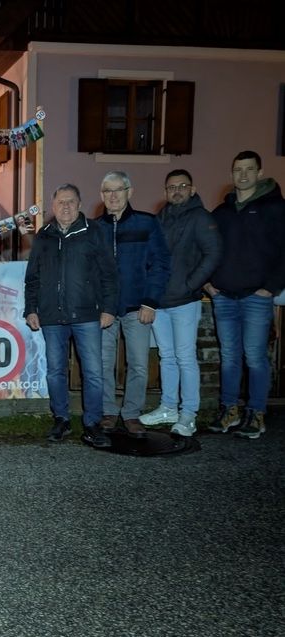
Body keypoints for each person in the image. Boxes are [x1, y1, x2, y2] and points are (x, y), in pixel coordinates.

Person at [24, 184, 118, 449]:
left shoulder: (95, 232)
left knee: (93, 372)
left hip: (87, 315)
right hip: (52, 316)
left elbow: (110, 274)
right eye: (60, 202)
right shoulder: (44, 235)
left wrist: (109, 308)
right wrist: (31, 308)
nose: (65, 207)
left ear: (79, 205)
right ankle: (61, 419)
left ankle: (92, 424)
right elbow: (33, 277)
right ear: (53, 207)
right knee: (55, 371)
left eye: (71, 202)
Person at [205, 150, 285, 439]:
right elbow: (205, 249)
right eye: (238, 169)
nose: (243, 174)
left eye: (249, 169)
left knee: (255, 357)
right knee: (229, 358)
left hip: (256, 296)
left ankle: (256, 412)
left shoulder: (275, 208)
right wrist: (208, 283)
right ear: (232, 173)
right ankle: (229, 410)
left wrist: (270, 287)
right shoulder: (222, 212)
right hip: (224, 296)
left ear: (260, 172)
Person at [140, 170, 222, 437]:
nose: (176, 191)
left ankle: (188, 414)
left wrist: (191, 284)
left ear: (192, 189)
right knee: (167, 357)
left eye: (182, 186)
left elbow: (213, 253)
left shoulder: (200, 217)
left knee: (185, 358)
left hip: (185, 300)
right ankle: (168, 407)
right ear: (165, 191)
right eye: (171, 187)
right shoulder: (160, 219)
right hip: (160, 301)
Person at [95, 170, 170, 438]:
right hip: (105, 310)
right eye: (107, 191)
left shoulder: (147, 224)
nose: (113, 196)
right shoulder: (95, 228)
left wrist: (150, 302)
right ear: (101, 195)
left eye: (118, 190)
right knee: (103, 363)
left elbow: (160, 264)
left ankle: (131, 413)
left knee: (138, 363)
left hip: (137, 307)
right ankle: (108, 411)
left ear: (130, 192)